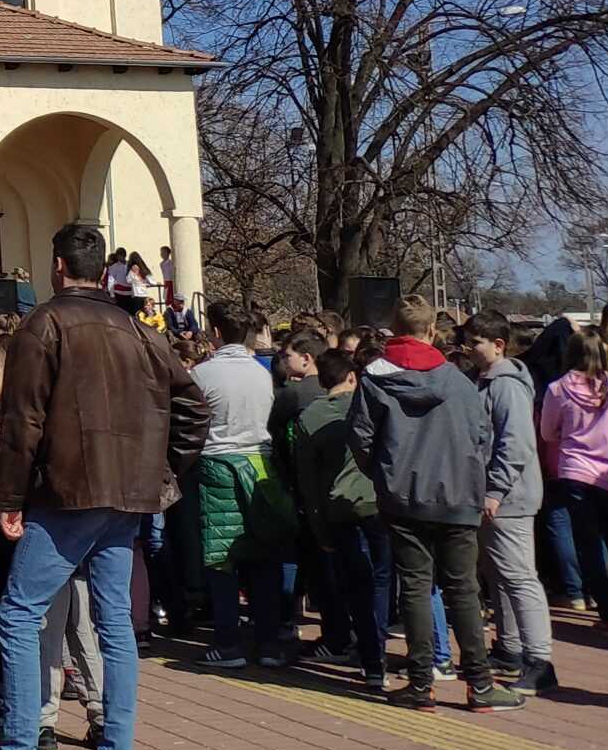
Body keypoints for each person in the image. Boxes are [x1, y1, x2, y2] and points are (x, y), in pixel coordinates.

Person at [0, 223, 207, 750]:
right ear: (101, 269)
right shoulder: (138, 329)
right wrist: (161, 469)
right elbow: (193, 407)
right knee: (113, 623)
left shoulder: (46, 322)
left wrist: (7, 499)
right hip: (126, 495)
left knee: (17, 613)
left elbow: (22, 422)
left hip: (67, 494)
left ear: (58, 265)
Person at [351, 295, 522, 712]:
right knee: (463, 590)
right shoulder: (460, 382)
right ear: (431, 331)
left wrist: (384, 474)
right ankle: (479, 683)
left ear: (395, 328)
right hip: (458, 495)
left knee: (414, 587)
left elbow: (360, 436)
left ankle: (421, 682)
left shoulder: (373, 378)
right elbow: (482, 437)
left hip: (403, 497)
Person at [191, 306, 291, 668]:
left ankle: (228, 643)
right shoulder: (261, 372)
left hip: (217, 465)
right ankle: (268, 642)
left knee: (222, 560)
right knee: (263, 555)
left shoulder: (202, 374)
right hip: (261, 464)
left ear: (215, 331)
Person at [460, 313, 554, 693]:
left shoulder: (507, 386)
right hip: (496, 495)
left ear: (498, 344)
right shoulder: (486, 383)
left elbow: (515, 443)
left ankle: (540, 658)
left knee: (519, 577)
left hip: (509, 498)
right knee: (499, 575)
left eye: (476, 342)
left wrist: (495, 490)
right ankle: (511, 649)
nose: (469, 349)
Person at [540, 330, 608, 630]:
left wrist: (570, 435)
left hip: (575, 472)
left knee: (589, 546)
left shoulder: (557, 389)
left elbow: (547, 432)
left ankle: (607, 615)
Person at [291, 350, 388, 690]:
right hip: (378, 502)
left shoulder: (309, 417)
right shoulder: (369, 405)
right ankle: (383, 650)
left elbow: (307, 480)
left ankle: (371, 659)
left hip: (338, 508)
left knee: (357, 585)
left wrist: (319, 528)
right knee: (382, 579)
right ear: (351, 377)